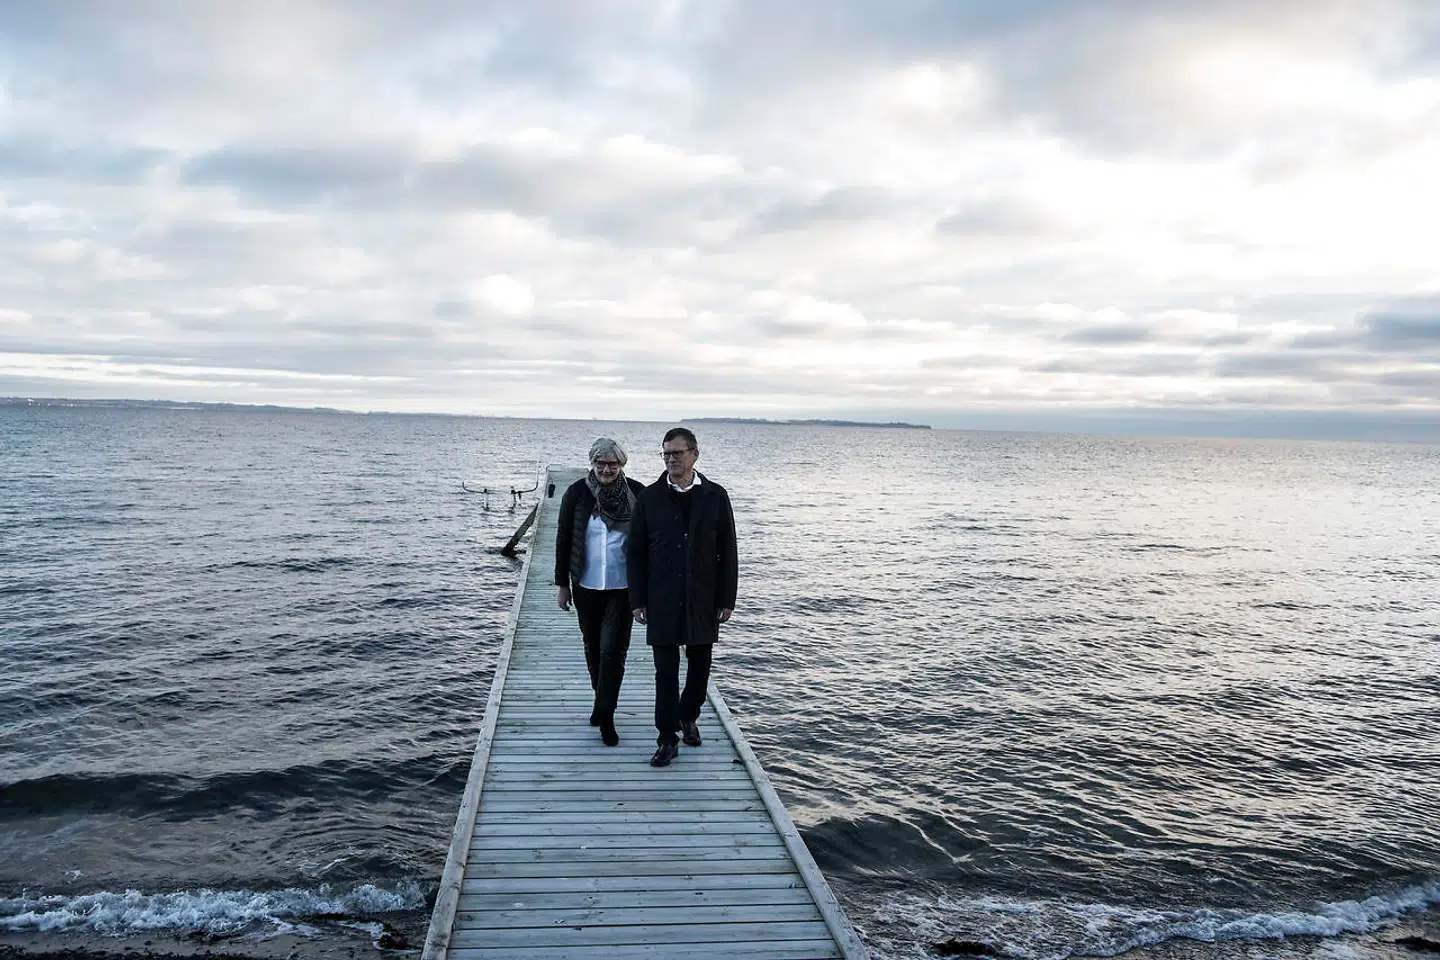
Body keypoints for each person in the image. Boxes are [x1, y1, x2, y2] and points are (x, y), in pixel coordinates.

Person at [627, 427, 738, 767]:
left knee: (700, 666)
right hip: (661, 596)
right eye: (666, 454)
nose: (672, 459)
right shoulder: (649, 498)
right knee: (665, 670)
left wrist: (727, 599)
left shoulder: (716, 496)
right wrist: (637, 599)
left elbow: (728, 551)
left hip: (703, 597)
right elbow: (635, 553)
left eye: (678, 453)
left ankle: (689, 715)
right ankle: (666, 738)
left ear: (694, 454)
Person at [554, 437, 646, 746]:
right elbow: (564, 538)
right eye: (601, 463)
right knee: (593, 647)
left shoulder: (637, 493)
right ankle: (599, 698)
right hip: (586, 585)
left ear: (622, 465)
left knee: (613, 651)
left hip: (623, 587)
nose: (607, 469)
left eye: (613, 464)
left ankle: (607, 715)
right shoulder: (576, 494)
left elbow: (650, 540)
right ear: (592, 463)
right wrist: (562, 584)